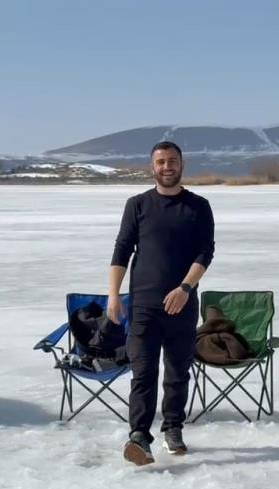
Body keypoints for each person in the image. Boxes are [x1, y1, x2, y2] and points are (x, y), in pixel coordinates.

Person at [108, 141, 215, 466]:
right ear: (152, 167)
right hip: (143, 305)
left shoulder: (198, 206)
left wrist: (184, 288)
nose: (167, 167)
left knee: (177, 372)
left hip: (181, 305)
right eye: (161, 162)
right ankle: (139, 436)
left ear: (182, 164)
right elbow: (122, 249)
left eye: (172, 161)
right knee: (143, 372)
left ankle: (173, 428)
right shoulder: (137, 204)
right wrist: (114, 294)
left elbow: (205, 252)